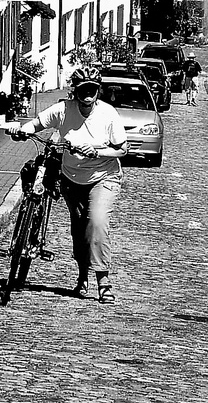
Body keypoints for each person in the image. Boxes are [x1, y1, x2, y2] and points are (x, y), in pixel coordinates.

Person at [13, 66, 127, 304]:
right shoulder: (63, 110)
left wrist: (96, 151)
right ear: (76, 91)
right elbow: (36, 124)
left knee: (96, 221)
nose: (88, 94)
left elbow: (122, 149)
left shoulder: (108, 114)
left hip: (103, 177)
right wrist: (21, 130)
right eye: (83, 89)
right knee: (79, 230)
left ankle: (103, 281)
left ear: (98, 91)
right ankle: (82, 275)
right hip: (71, 179)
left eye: (92, 89)